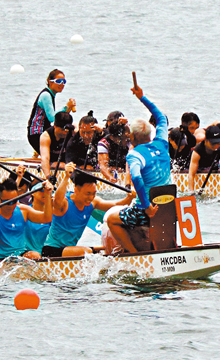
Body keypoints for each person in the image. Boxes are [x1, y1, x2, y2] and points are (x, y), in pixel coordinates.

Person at [105, 83, 170, 253]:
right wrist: (142, 97)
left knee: (111, 219)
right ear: (150, 135)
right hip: (169, 204)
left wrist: (147, 206)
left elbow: (136, 178)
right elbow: (161, 117)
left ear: (131, 136)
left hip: (148, 209)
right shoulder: (162, 143)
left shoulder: (135, 155)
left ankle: (134, 256)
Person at [42, 164, 134, 257]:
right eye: (88, 193)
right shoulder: (65, 203)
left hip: (69, 250)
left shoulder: (93, 202)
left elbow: (115, 205)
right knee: (87, 253)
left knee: (107, 251)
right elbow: (57, 199)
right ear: (76, 190)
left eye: (93, 193)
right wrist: (66, 176)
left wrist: (130, 198)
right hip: (51, 250)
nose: (91, 197)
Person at [0, 178, 54, 260]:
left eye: (14, 201)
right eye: (7, 202)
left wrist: (47, 194)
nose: (11, 205)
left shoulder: (23, 210)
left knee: (35, 256)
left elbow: (46, 218)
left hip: (20, 256)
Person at [26, 69, 76, 153]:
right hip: (36, 134)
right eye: (59, 81)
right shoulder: (46, 95)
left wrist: (68, 109)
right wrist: (66, 106)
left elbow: (59, 119)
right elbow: (52, 118)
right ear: (50, 81)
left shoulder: (51, 95)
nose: (61, 84)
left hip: (44, 131)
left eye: (64, 82)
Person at [187, 125, 220, 192]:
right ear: (206, 140)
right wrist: (192, 192)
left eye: (217, 142)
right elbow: (191, 175)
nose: (216, 145)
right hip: (199, 170)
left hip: (213, 169)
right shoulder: (197, 152)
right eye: (213, 143)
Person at [97, 112, 130, 183]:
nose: (127, 136)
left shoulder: (130, 138)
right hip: (112, 166)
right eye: (125, 136)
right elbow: (103, 166)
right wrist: (110, 177)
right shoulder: (103, 143)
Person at [39, 111, 74, 178]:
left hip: (69, 163)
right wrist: (48, 176)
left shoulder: (73, 131)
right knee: (59, 165)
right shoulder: (46, 136)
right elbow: (45, 158)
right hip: (53, 163)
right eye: (61, 129)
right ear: (55, 126)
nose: (64, 133)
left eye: (66, 130)